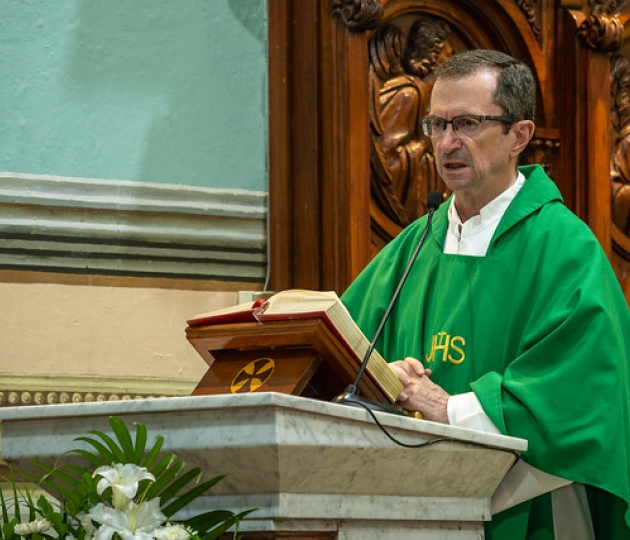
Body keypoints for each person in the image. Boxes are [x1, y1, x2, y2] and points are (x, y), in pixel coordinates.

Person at [341, 49, 630, 539]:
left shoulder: (563, 247)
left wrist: (448, 408)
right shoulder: (415, 244)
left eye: (467, 123)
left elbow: (578, 394)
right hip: (406, 504)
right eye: (436, 124)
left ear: (520, 135)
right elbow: (341, 351)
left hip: (528, 504)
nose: (446, 142)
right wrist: (380, 382)